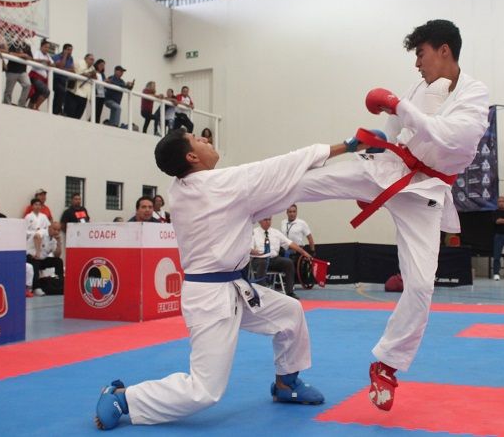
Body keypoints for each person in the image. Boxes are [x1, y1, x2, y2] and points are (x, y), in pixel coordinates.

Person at [263, 20, 490, 411]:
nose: (417, 64)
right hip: (391, 171)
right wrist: (378, 161)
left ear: (444, 51)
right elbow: (394, 130)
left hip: (426, 192)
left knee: (420, 286)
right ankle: (243, 196)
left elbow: (447, 137)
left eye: (420, 53)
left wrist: (398, 104)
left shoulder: (475, 96)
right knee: (312, 181)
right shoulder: (419, 89)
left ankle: (386, 365)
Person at [93, 127, 358, 430]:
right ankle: (125, 397)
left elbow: (257, 199)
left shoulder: (181, 186)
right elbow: (283, 165)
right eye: (197, 140)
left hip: (235, 288)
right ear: (191, 156)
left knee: (290, 312)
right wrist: (347, 146)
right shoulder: (219, 184)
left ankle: (287, 383)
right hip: (210, 298)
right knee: (204, 391)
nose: (205, 139)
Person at [249, 216, 312, 300]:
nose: (268, 222)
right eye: (265, 219)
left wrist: (304, 253)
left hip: (274, 259)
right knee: (262, 262)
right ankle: (262, 293)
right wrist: (256, 252)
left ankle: (290, 292)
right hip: (259, 259)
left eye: (269, 220)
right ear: (260, 221)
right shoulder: (254, 232)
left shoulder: (276, 232)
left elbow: (290, 243)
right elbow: (249, 249)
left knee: (288, 262)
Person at [26, 222, 64, 296]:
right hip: (30, 257)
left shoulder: (53, 240)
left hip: (42, 260)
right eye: (54, 229)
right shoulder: (43, 232)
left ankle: (60, 282)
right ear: (49, 227)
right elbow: (36, 237)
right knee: (36, 262)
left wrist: (59, 242)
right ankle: (36, 288)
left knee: (58, 261)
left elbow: (57, 255)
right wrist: (37, 252)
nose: (56, 232)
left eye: (58, 230)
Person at [65, 53, 96, 119]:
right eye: (91, 59)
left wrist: (92, 74)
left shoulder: (92, 67)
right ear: (85, 59)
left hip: (84, 95)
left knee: (78, 116)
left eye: (93, 60)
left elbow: (95, 78)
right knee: (69, 115)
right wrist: (91, 74)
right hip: (74, 93)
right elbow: (81, 73)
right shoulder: (80, 62)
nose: (92, 61)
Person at [3, 41, 32, 107]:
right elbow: (9, 53)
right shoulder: (13, 44)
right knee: (9, 90)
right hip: (12, 70)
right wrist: (22, 55)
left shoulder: (27, 46)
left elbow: (30, 58)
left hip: (22, 71)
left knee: (28, 85)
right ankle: (6, 105)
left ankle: (21, 105)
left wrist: (25, 56)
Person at [28, 39, 53, 110]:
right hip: (35, 76)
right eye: (45, 47)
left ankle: (31, 106)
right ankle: (36, 107)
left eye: (48, 47)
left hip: (43, 78)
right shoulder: (38, 52)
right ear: (41, 47)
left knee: (37, 92)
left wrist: (50, 64)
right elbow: (34, 60)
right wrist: (43, 60)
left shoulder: (48, 56)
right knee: (46, 91)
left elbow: (53, 64)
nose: (47, 49)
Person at [51, 43, 74, 115]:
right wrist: (65, 56)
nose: (70, 51)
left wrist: (64, 69)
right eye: (68, 50)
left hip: (64, 80)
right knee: (61, 92)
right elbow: (61, 66)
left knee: (61, 95)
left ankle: (56, 111)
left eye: (71, 50)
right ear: (64, 50)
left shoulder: (71, 58)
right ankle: (56, 111)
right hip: (56, 78)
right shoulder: (56, 56)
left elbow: (72, 70)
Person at [93, 59, 106, 123]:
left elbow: (104, 83)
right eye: (101, 65)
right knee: (95, 112)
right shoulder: (93, 72)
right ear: (97, 65)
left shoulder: (102, 74)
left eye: (103, 65)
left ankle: (97, 124)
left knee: (99, 113)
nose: (102, 67)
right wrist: (104, 82)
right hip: (96, 94)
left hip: (102, 95)